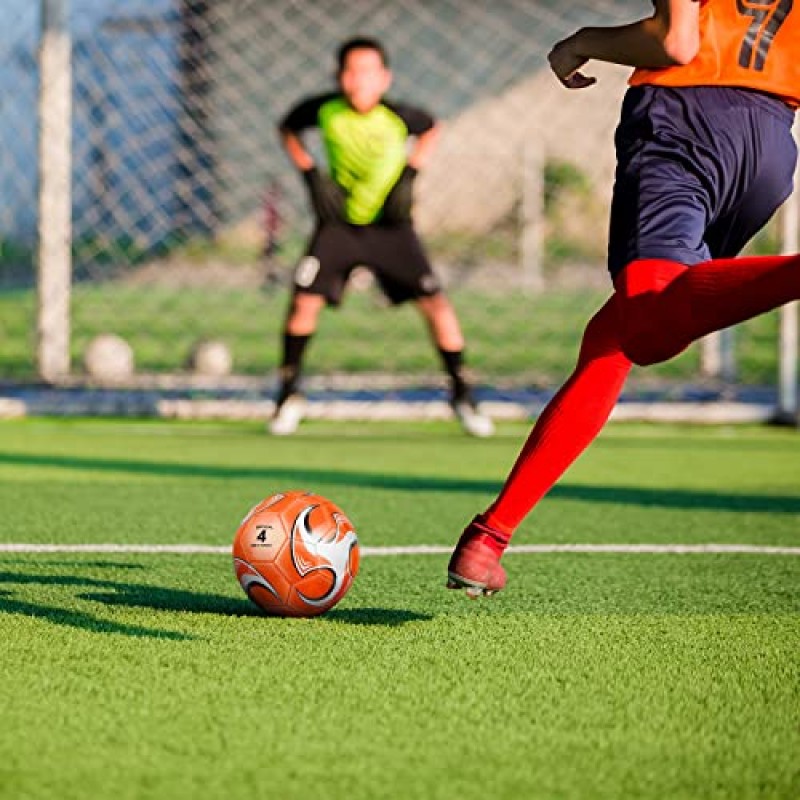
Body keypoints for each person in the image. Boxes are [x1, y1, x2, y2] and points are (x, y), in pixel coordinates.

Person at [447, 0, 800, 596]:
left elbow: (676, 42)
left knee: (645, 323)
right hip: (768, 146)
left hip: (687, 120)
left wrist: (579, 41)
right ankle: (489, 537)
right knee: (613, 339)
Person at [270, 36, 494, 438]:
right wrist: (309, 174)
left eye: (368, 72)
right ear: (340, 76)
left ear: (384, 78)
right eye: (351, 71)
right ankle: (289, 394)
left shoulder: (401, 116)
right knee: (303, 303)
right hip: (339, 227)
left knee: (436, 305)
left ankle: (462, 394)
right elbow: (287, 127)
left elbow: (432, 129)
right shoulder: (323, 110)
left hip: (391, 228)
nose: (359, 80)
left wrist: (411, 173)